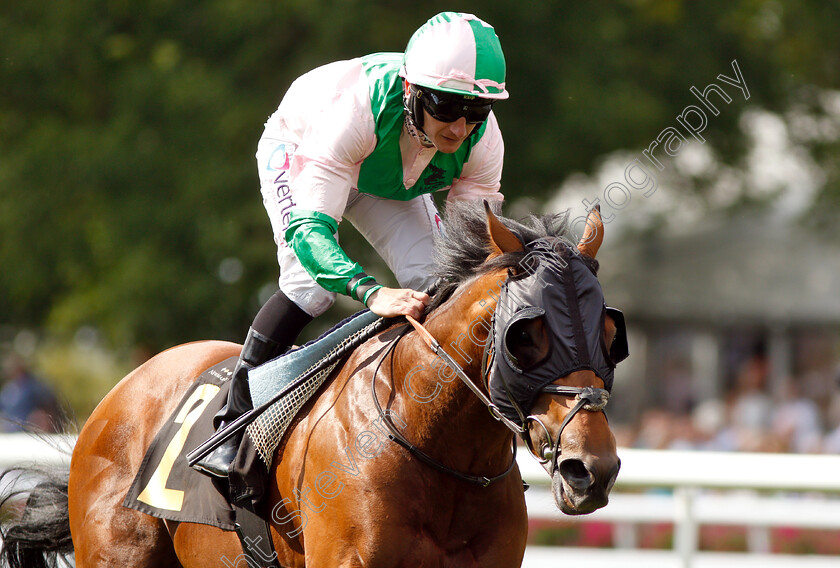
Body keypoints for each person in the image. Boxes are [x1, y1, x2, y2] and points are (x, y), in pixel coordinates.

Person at [194, 12, 508, 477]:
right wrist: (371, 292)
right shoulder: (356, 111)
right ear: (410, 90)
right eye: (445, 106)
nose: (459, 128)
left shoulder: (484, 142)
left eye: (474, 111)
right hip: (304, 145)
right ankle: (232, 422)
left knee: (443, 287)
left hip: (385, 178)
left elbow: (469, 252)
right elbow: (309, 233)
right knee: (309, 287)